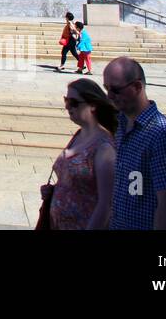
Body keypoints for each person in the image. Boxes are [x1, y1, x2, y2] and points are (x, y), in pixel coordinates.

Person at [104, 57, 166, 230]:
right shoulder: (121, 124)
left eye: (115, 90)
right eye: (106, 89)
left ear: (137, 87)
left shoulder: (161, 134)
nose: (109, 96)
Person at [45, 78, 117, 230]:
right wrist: (55, 190)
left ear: (93, 105)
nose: (68, 107)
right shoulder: (79, 135)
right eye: (66, 101)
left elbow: (107, 204)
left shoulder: (104, 148)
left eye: (74, 102)